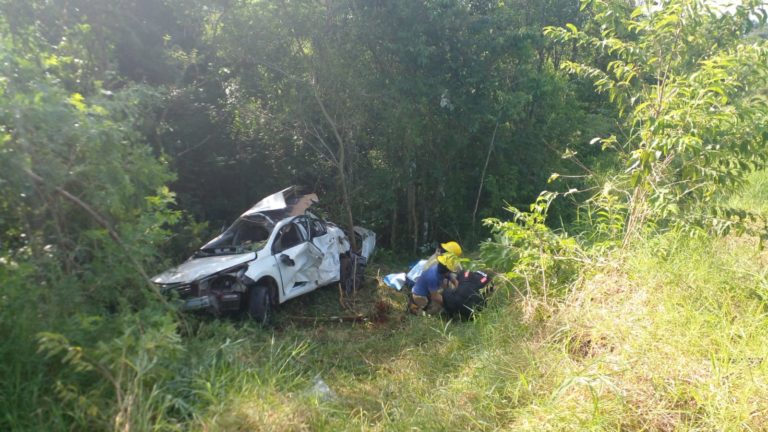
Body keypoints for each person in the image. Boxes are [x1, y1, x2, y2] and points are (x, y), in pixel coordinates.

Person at [408, 241, 462, 315]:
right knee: (437, 310)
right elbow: (435, 297)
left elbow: (453, 279)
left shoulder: (442, 266)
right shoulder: (433, 275)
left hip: (430, 289)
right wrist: (449, 305)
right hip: (421, 296)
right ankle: (416, 308)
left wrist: (458, 290)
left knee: (447, 286)